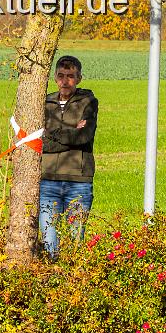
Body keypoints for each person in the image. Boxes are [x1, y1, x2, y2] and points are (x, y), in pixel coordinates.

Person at [39, 55, 99, 258]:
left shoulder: (88, 102)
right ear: (55, 77)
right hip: (48, 181)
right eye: (61, 76)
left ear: (79, 78)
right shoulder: (44, 103)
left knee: (75, 242)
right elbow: (38, 141)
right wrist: (70, 132)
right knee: (49, 242)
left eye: (71, 76)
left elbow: (84, 136)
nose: (65, 81)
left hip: (78, 181)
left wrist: (52, 133)